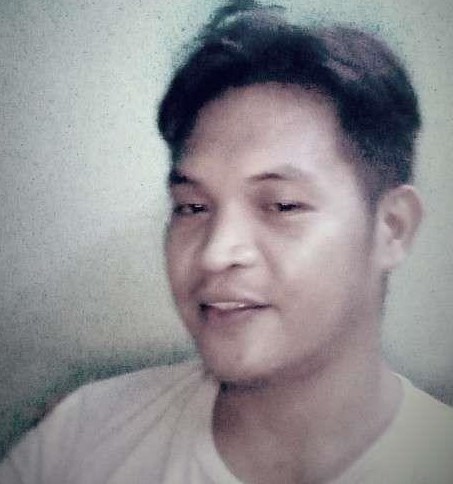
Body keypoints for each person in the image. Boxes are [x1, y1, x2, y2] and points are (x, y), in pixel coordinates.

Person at [1, 2, 452, 483]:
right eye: (192, 207)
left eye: (282, 205)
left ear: (392, 229)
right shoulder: (82, 439)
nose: (216, 253)